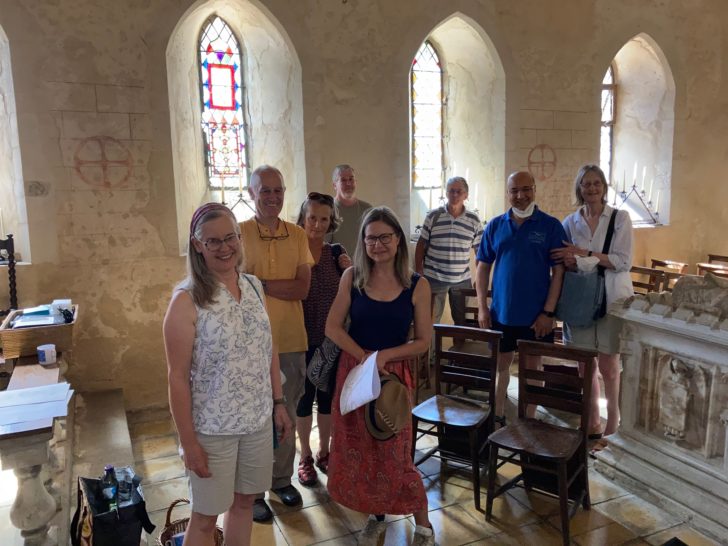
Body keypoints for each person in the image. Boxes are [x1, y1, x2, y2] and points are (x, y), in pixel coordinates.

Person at [164, 203, 292, 546]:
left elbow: (269, 347)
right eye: (213, 241)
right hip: (212, 429)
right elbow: (176, 378)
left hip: (256, 422)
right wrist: (188, 443)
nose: (225, 248)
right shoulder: (186, 300)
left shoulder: (253, 287)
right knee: (205, 518)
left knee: (245, 503)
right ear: (197, 245)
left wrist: (278, 402)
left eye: (230, 238)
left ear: (240, 238)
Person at [325, 206, 436, 546]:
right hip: (355, 373)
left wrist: (384, 356)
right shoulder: (352, 278)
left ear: (398, 239)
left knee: (396, 452)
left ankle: (424, 526)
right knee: (363, 450)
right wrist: (364, 357)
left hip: (393, 377)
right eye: (370, 238)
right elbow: (332, 327)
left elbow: (423, 341)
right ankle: (377, 515)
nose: (377, 244)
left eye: (384, 237)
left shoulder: (417, 285)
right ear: (363, 242)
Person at [239, 165, 314, 522]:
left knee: (286, 415)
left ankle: (281, 480)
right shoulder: (237, 234)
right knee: (253, 419)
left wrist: (260, 284)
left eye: (277, 190)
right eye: (264, 190)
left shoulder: (298, 235)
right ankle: (252, 491)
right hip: (248, 346)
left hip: (290, 340)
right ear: (251, 193)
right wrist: (269, 284)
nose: (272, 197)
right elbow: (234, 287)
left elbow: (302, 288)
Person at [551, 164, 634, 450]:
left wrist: (585, 255)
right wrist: (577, 260)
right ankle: (591, 424)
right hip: (580, 300)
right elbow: (564, 259)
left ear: (604, 187)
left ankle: (613, 426)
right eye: (586, 184)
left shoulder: (620, 219)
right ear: (579, 189)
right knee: (584, 366)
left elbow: (622, 261)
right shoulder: (570, 222)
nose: (592, 188)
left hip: (612, 299)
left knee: (610, 365)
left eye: (597, 183)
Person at [475, 171, 567, 421]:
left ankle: (529, 420)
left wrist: (548, 313)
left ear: (535, 190)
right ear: (507, 194)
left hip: (536, 315)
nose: (520, 195)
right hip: (502, 313)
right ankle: (499, 414)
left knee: (532, 368)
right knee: (501, 364)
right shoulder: (495, 225)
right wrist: (483, 308)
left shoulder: (550, 226)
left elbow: (558, 272)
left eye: (526, 189)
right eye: (514, 190)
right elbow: (482, 268)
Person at [294, 192, 352, 487]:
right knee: (303, 400)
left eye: (324, 219)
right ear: (303, 218)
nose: (317, 224)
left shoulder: (335, 253)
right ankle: (304, 456)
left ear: (331, 222)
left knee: (328, 400)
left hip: (331, 340)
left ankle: (324, 451)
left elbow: (355, 287)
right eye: (312, 217)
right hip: (300, 339)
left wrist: (350, 267)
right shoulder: (293, 251)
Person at [414, 176, 484, 326]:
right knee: (431, 321)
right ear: (446, 193)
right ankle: (431, 350)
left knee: (461, 323)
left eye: (459, 191)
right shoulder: (433, 216)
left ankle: (459, 347)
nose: (455, 195)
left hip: (462, 280)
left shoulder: (474, 220)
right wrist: (419, 271)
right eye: (451, 191)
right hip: (433, 277)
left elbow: (480, 252)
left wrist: (479, 277)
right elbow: (421, 244)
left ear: (466, 195)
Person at [326, 164, 372, 254]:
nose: (348, 183)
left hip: (363, 266)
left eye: (351, 179)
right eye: (343, 180)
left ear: (356, 182)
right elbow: (324, 246)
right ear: (334, 185)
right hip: (336, 266)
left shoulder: (368, 210)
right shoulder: (327, 210)